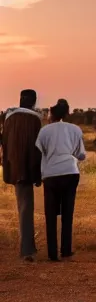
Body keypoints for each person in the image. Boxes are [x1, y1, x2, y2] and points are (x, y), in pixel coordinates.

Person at [35, 99, 86, 262]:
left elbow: (39, 151)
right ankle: (66, 250)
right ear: (66, 114)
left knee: (50, 214)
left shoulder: (44, 131)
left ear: (51, 114)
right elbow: (81, 155)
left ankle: (52, 253)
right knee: (67, 213)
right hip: (70, 173)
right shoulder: (75, 130)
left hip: (51, 174)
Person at [1, 89, 42, 262]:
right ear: (34, 102)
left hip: (13, 166)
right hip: (27, 168)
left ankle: (28, 248)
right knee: (26, 208)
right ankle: (27, 250)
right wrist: (38, 173)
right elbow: (37, 148)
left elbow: (4, 142)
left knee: (23, 207)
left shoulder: (9, 117)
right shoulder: (35, 119)